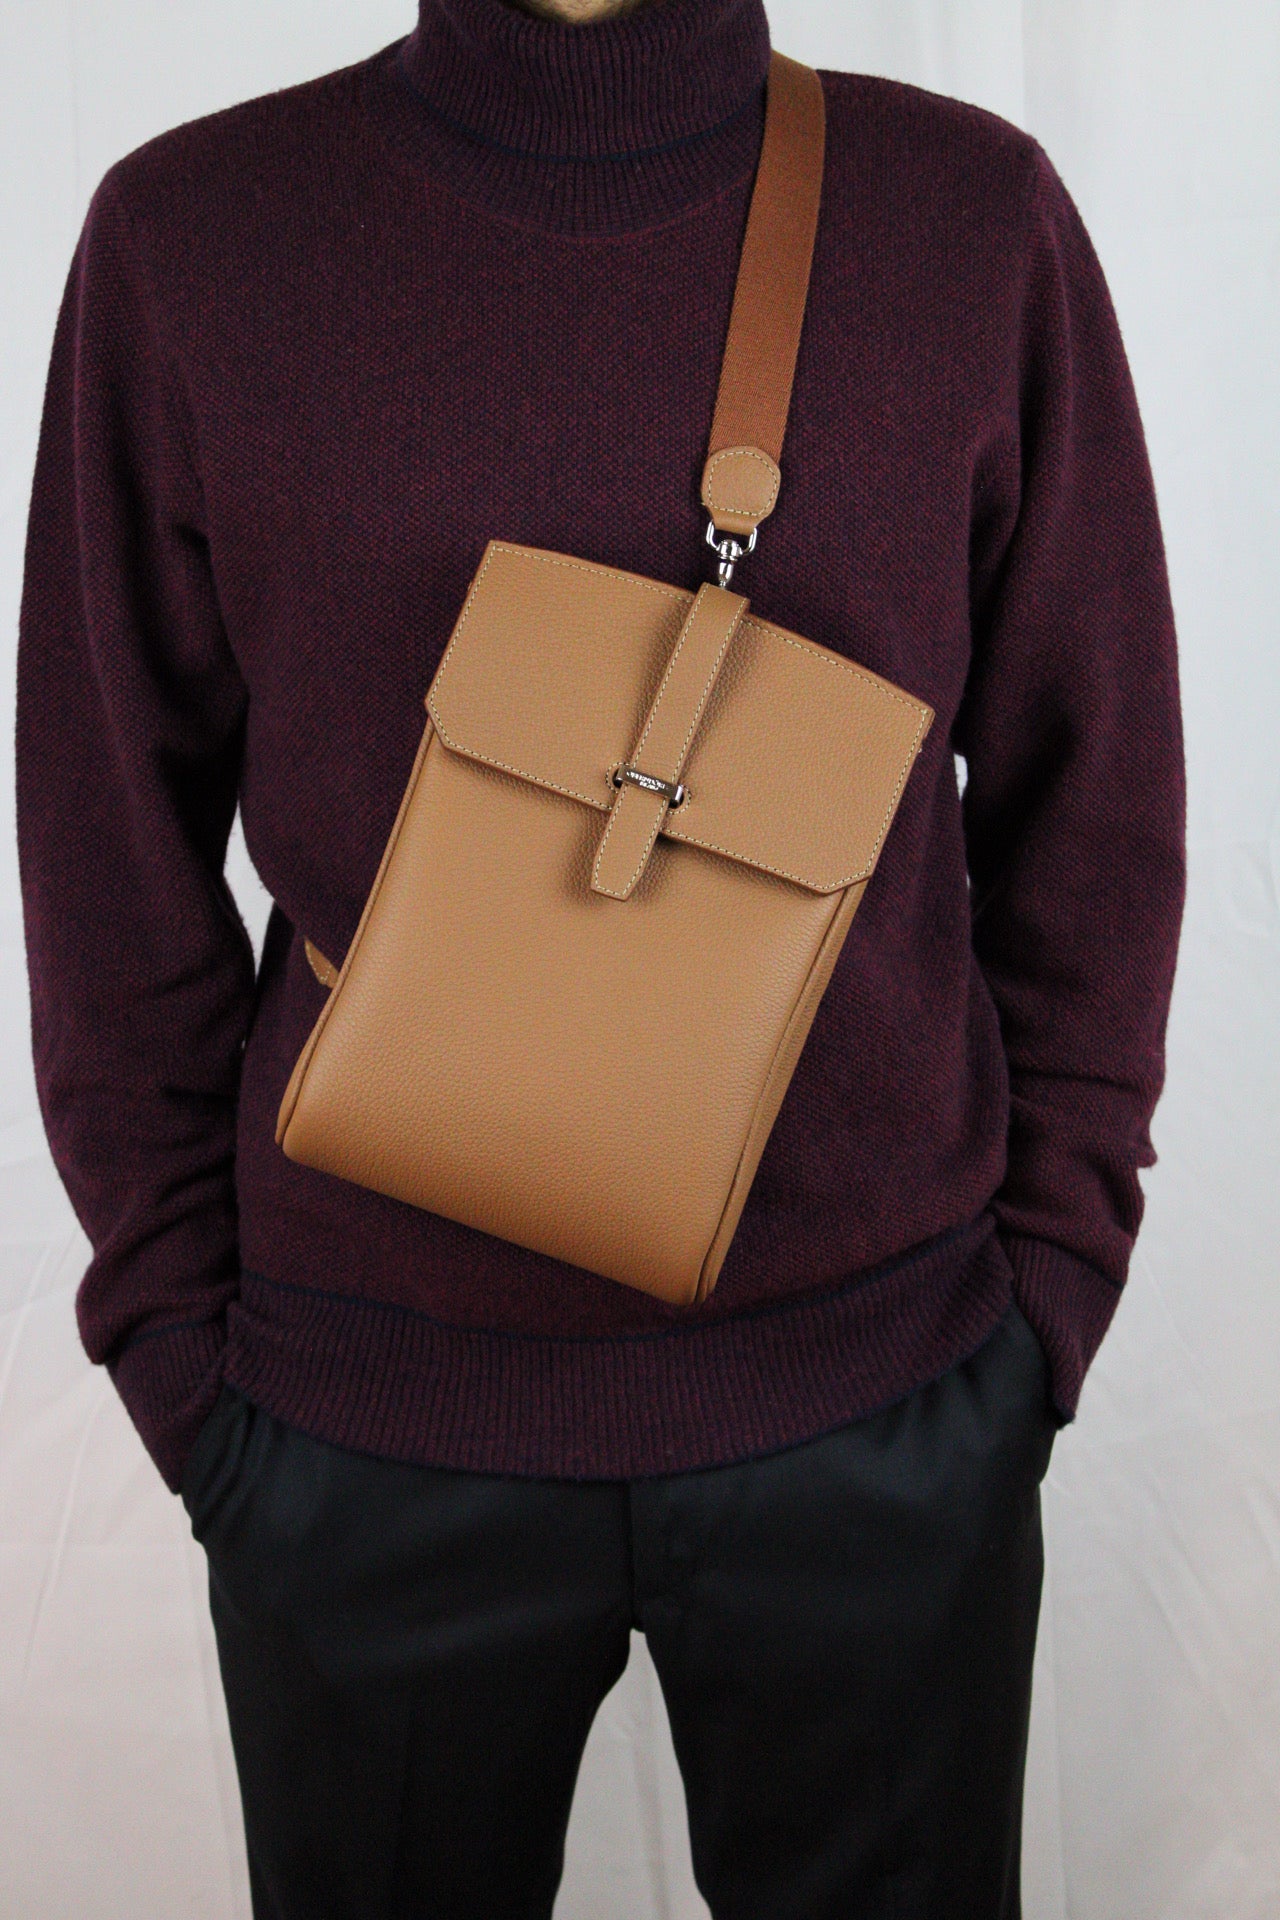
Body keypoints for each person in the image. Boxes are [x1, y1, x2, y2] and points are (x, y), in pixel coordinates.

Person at [15, 0, 1186, 1914]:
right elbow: (103, 833)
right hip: (350, 1417)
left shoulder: (969, 220)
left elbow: (1099, 786)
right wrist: (184, 1357)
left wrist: (1042, 1293)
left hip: (887, 1391)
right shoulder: (191, 238)